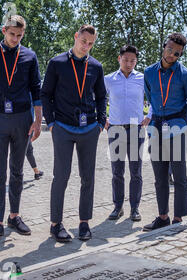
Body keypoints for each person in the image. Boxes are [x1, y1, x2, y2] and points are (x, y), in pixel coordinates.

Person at [0, 15, 42, 242]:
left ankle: (14, 215)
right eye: (12, 34)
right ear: (4, 30)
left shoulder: (30, 56)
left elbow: (36, 90)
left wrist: (38, 120)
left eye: (19, 35)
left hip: (23, 119)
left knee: (17, 172)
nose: (15, 39)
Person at [41, 24, 106, 242]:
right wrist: (51, 123)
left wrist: (100, 122)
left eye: (91, 43)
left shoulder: (96, 67)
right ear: (75, 36)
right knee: (62, 175)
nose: (86, 46)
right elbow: (46, 94)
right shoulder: (57, 63)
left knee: (88, 177)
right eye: (83, 41)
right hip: (63, 128)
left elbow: (101, 97)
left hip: (89, 129)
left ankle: (84, 223)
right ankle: (56, 223)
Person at [143, 32, 187, 231]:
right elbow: (150, 95)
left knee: (179, 174)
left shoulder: (185, 75)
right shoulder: (149, 72)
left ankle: (177, 218)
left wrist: (181, 116)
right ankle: (162, 216)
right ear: (164, 45)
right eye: (169, 50)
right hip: (156, 127)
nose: (171, 55)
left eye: (177, 54)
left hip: (177, 127)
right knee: (160, 176)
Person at [104, 45, 151, 222]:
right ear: (119, 59)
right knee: (117, 171)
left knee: (136, 171)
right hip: (115, 129)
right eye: (126, 60)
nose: (129, 63)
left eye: (133, 60)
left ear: (136, 61)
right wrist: (103, 118)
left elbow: (154, 96)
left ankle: (135, 208)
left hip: (136, 129)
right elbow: (98, 98)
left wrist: (150, 115)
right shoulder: (109, 79)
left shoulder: (142, 78)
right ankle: (118, 207)